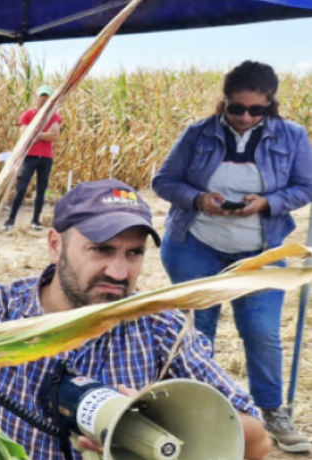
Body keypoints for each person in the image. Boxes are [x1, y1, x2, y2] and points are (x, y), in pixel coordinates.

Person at [0, 179, 269, 460]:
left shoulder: (160, 329)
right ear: (54, 245)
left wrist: (158, 418)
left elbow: (254, 439)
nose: (120, 273)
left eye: (133, 253)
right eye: (101, 249)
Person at [153, 60, 312, 453]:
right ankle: (197, 411)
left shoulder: (292, 136)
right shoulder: (197, 134)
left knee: (261, 332)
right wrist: (198, 198)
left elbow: (305, 186)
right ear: (223, 102)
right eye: (236, 108)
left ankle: (273, 413)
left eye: (256, 110)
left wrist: (267, 203)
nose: (244, 117)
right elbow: (164, 181)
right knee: (196, 333)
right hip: (196, 245)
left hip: (260, 251)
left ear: (270, 105)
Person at [2, 85, 62, 232]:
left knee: (41, 190)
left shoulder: (54, 116)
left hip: (46, 158)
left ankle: (35, 220)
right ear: (36, 97)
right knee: (21, 188)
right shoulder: (28, 114)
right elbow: (24, 135)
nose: (43, 99)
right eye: (41, 96)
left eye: (46, 97)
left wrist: (35, 133)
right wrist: (42, 134)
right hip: (29, 156)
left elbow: (54, 136)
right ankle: (11, 219)